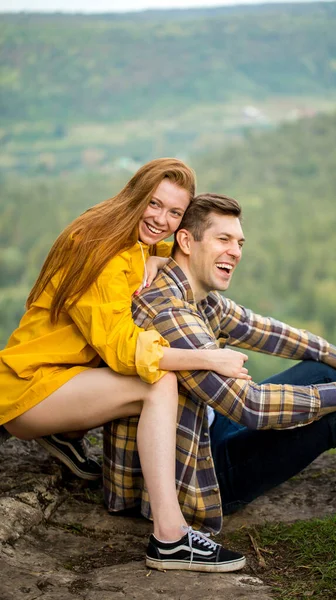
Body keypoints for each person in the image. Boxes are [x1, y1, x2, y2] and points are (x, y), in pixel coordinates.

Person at [104, 192, 336, 572]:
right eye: (223, 239)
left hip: (207, 434)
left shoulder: (195, 293)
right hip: (195, 477)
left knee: (322, 373)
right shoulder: (168, 310)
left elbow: (265, 330)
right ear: (186, 241)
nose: (236, 251)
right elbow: (251, 406)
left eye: (239, 242)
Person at [0, 162, 250, 570]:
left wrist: (157, 259)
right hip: (29, 389)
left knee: (153, 377)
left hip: (61, 377)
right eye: (154, 204)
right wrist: (206, 357)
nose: (161, 220)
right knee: (158, 384)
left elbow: (157, 248)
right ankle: (170, 537)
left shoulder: (127, 232)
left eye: (174, 214)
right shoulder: (98, 248)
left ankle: (66, 433)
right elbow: (123, 350)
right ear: (136, 194)